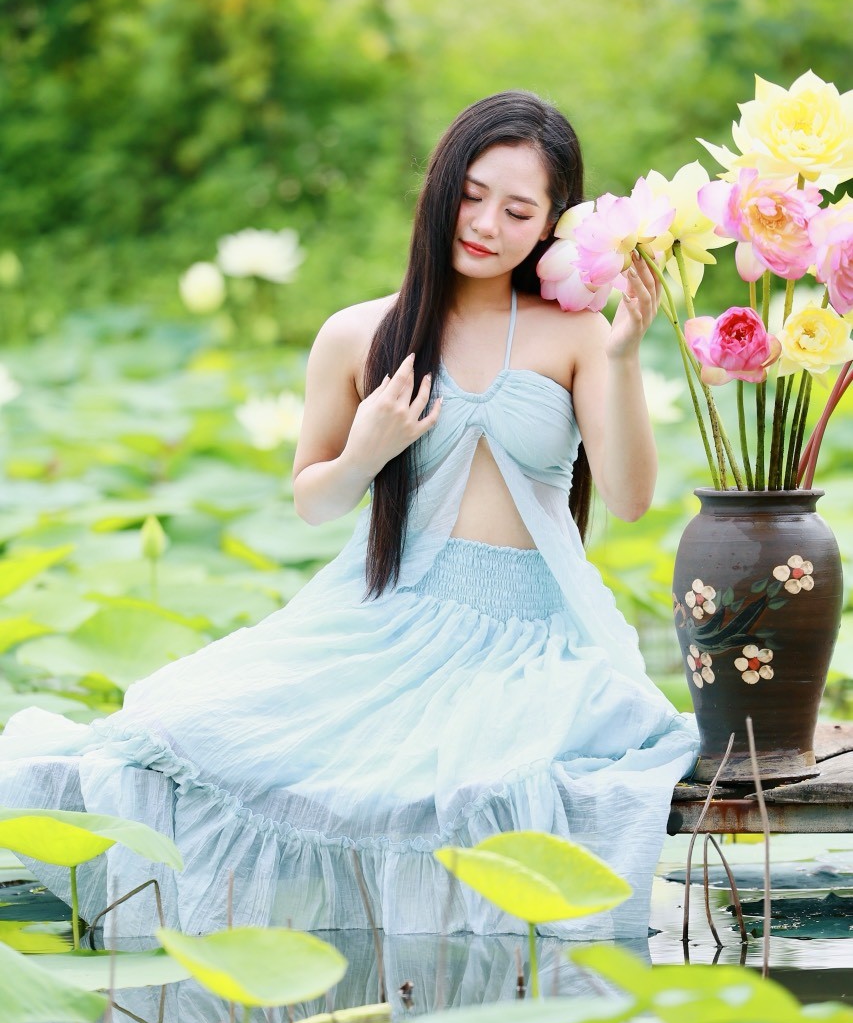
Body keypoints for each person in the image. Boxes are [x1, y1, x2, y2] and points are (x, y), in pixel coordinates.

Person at [0, 90, 699, 941]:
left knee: (475, 789)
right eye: (472, 194)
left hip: (533, 638)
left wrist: (624, 355)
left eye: (518, 210)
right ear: (439, 188)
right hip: (389, 619)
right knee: (178, 736)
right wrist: (367, 449)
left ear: (552, 223)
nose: (484, 224)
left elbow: (627, 498)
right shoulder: (356, 334)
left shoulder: (578, 334)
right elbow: (313, 500)